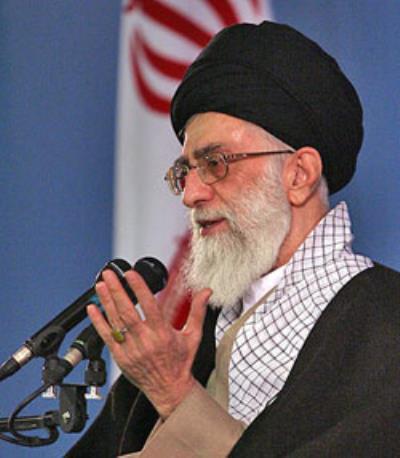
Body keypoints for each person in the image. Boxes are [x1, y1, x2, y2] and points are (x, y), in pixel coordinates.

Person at [66, 21, 400, 457]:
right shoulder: (186, 340)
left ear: (299, 175)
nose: (190, 194)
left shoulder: (386, 327)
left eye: (216, 163)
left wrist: (176, 395)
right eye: (185, 170)